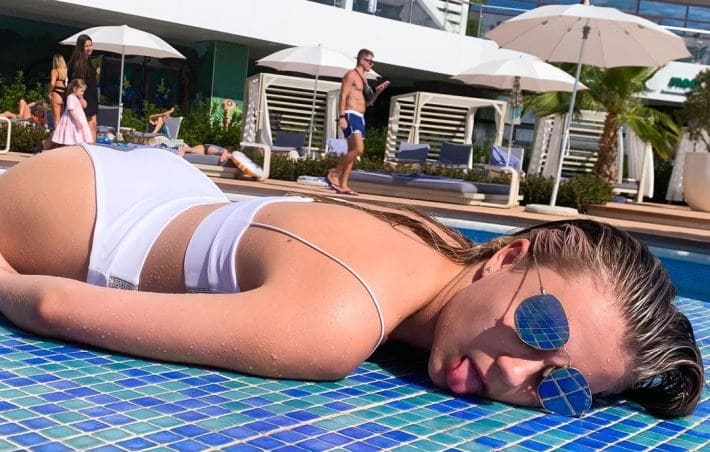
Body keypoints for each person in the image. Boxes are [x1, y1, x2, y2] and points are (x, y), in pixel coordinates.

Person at [0, 144, 702, 419]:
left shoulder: (441, 250)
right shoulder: (337, 323)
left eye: (560, 386)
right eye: (541, 328)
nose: (514, 373)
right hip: (78, 217)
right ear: (511, 256)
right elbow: (55, 305)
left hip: (176, 189)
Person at [327, 49, 390, 195]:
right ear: (361, 60)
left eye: (372, 62)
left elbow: (369, 103)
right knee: (359, 149)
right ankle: (334, 173)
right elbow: (343, 96)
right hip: (350, 114)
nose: (371, 64)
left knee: (352, 151)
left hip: (360, 116)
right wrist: (341, 116)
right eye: (370, 61)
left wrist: (377, 92)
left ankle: (344, 185)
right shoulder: (351, 75)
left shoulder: (364, 80)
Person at [67, 34, 98, 142]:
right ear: (81, 47)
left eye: (90, 45)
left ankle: (91, 148)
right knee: (89, 126)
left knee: (93, 125)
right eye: (86, 46)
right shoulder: (78, 63)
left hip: (91, 97)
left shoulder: (88, 61)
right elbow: (76, 83)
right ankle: (91, 149)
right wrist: (81, 98)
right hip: (84, 98)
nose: (89, 48)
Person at [51, 79, 92, 145]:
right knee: (72, 132)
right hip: (72, 120)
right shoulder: (70, 97)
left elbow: (85, 106)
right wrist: (77, 120)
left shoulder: (78, 98)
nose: (83, 93)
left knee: (78, 133)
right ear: (75, 89)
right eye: (81, 91)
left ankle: (77, 144)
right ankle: (69, 145)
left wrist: (81, 98)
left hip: (79, 119)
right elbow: (71, 110)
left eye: (84, 91)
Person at [48, 54, 68, 129]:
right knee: (63, 117)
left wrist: (49, 92)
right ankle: (63, 134)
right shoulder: (66, 71)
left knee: (56, 117)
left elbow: (52, 83)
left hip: (57, 92)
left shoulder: (54, 71)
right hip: (65, 93)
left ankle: (57, 134)